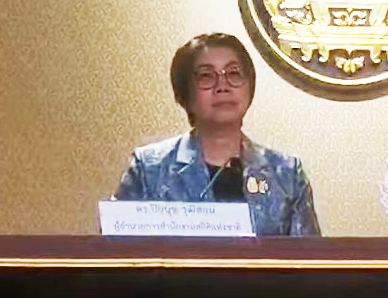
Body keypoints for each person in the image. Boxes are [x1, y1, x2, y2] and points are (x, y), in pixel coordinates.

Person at [112, 33, 321, 236]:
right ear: (185, 93)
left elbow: (309, 257)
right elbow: (115, 250)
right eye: (206, 76)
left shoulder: (287, 174)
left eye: (234, 74)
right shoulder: (149, 169)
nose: (223, 86)